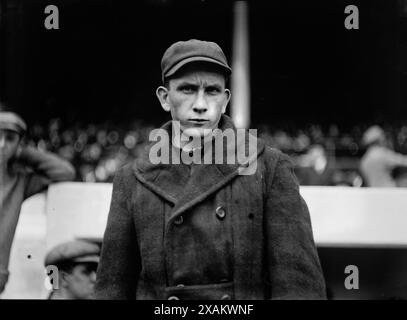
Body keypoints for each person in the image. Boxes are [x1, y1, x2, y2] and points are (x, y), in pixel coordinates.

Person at [95, 39, 326, 299]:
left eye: (212, 91)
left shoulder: (269, 167)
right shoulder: (131, 179)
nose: (201, 104)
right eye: (187, 89)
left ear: (225, 100)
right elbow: (111, 290)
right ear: (164, 98)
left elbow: (299, 288)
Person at [0, 111, 75, 294]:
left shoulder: (20, 181)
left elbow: (64, 172)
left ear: (19, 144)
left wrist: (24, 153)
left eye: (10, 139)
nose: (1, 145)